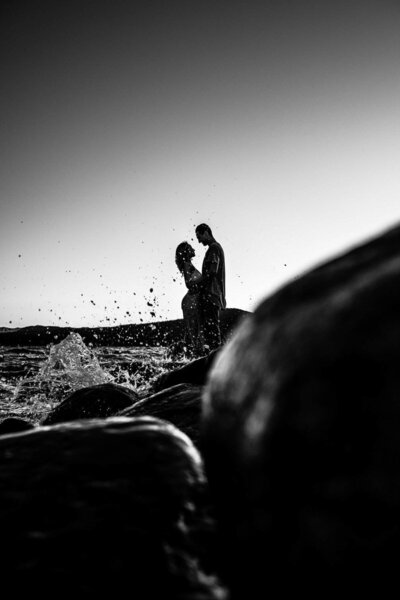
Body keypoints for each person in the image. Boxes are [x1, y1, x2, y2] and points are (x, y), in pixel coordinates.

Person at [195, 223, 226, 353]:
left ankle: (215, 357)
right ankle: (215, 355)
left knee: (212, 329)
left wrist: (199, 285)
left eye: (199, 236)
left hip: (211, 294)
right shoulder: (216, 248)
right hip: (214, 294)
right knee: (212, 329)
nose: (199, 241)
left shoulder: (214, 248)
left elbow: (213, 271)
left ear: (206, 232)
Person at [175, 241, 204, 355]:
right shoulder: (187, 265)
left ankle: (184, 355)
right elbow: (188, 283)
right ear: (187, 251)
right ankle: (190, 357)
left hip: (192, 300)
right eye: (191, 248)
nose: (194, 250)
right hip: (190, 301)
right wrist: (203, 279)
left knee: (193, 332)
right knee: (193, 333)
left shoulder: (189, 265)